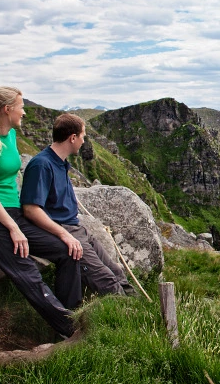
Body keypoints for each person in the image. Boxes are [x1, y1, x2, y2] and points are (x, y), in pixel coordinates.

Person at [0, 87, 82, 338]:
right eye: (21, 106)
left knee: (67, 251)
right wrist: (13, 228)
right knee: (27, 273)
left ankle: (74, 316)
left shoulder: (10, 136)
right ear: (7, 109)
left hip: (13, 213)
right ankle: (70, 331)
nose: (24, 112)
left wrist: (59, 232)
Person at [21, 113, 135, 297]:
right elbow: (30, 209)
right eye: (82, 136)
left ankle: (143, 310)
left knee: (116, 271)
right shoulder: (42, 165)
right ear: (72, 138)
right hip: (63, 229)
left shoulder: (60, 163)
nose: (83, 141)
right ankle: (125, 318)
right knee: (106, 280)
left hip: (76, 228)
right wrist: (64, 235)